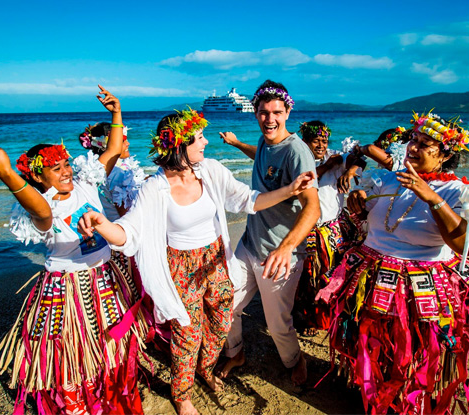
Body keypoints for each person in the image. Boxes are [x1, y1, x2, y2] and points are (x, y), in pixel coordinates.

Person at [76, 108, 316, 415]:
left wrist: (289, 190)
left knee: (221, 323)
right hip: (180, 267)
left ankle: (205, 368)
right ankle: (182, 393)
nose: (205, 142)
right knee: (187, 333)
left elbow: (248, 200)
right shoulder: (155, 188)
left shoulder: (211, 171)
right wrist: (100, 224)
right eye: (199, 138)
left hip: (215, 259)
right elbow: (128, 234)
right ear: (179, 145)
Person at [0, 86, 147, 415]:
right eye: (56, 168)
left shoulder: (85, 183)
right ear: (38, 176)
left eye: (66, 163)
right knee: (70, 355)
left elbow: (110, 150)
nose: (66, 170)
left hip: (107, 278)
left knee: (113, 347)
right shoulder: (43, 206)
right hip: (67, 289)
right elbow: (41, 212)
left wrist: (116, 112)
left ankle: (110, 400)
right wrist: (6, 173)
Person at [317, 111, 469, 414]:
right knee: (371, 340)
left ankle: (405, 400)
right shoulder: (388, 178)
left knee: (412, 348)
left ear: (444, 155)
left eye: (425, 144)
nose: (413, 148)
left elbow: (465, 245)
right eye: (413, 140)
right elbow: (370, 221)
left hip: (421, 285)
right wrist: (360, 205)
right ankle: (371, 392)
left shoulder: (457, 191)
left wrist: (432, 198)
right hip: (374, 273)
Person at [218, 80, 320, 385]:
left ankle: (294, 360)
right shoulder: (265, 139)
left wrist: (287, 247)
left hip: (278, 255)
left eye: (276, 112)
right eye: (263, 113)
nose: (269, 119)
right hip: (249, 245)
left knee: (278, 325)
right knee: (226, 304)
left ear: (288, 111)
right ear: (256, 113)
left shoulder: (297, 153)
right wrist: (238, 145)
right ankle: (235, 352)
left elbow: (312, 208)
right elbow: (261, 156)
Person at [293, 120, 366, 336]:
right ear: (304, 142)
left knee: (330, 274)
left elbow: (359, 159)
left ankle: (326, 314)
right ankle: (305, 316)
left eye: (324, 141)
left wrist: (349, 172)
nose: (321, 146)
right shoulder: (298, 159)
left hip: (332, 228)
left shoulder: (335, 156)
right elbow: (303, 180)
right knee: (307, 275)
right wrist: (327, 166)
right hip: (307, 227)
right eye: (316, 141)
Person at [78, 121, 145, 219]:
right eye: (123, 140)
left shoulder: (95, 170)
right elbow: (126, 214)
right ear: (109, 145)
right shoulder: (118, 174)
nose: (128, 143)